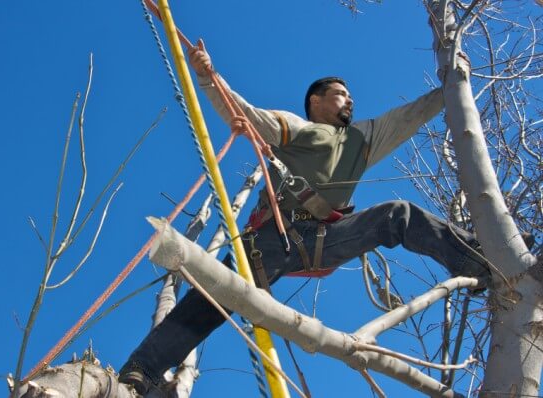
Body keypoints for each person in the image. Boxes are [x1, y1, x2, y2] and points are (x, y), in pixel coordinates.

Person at [118, 41, 490, 395]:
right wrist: (207, 75)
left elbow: (409, 117)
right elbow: (243, 114)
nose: (351, 100)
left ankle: (475, 257)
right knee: (211, 298)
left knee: (397, 215)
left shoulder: (362, 139)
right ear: (317, 100)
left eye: (350, 96)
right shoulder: (296, 128)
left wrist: (452, 85)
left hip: (324, 240)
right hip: (270, 240)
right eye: (342, 94)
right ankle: (142, 370)